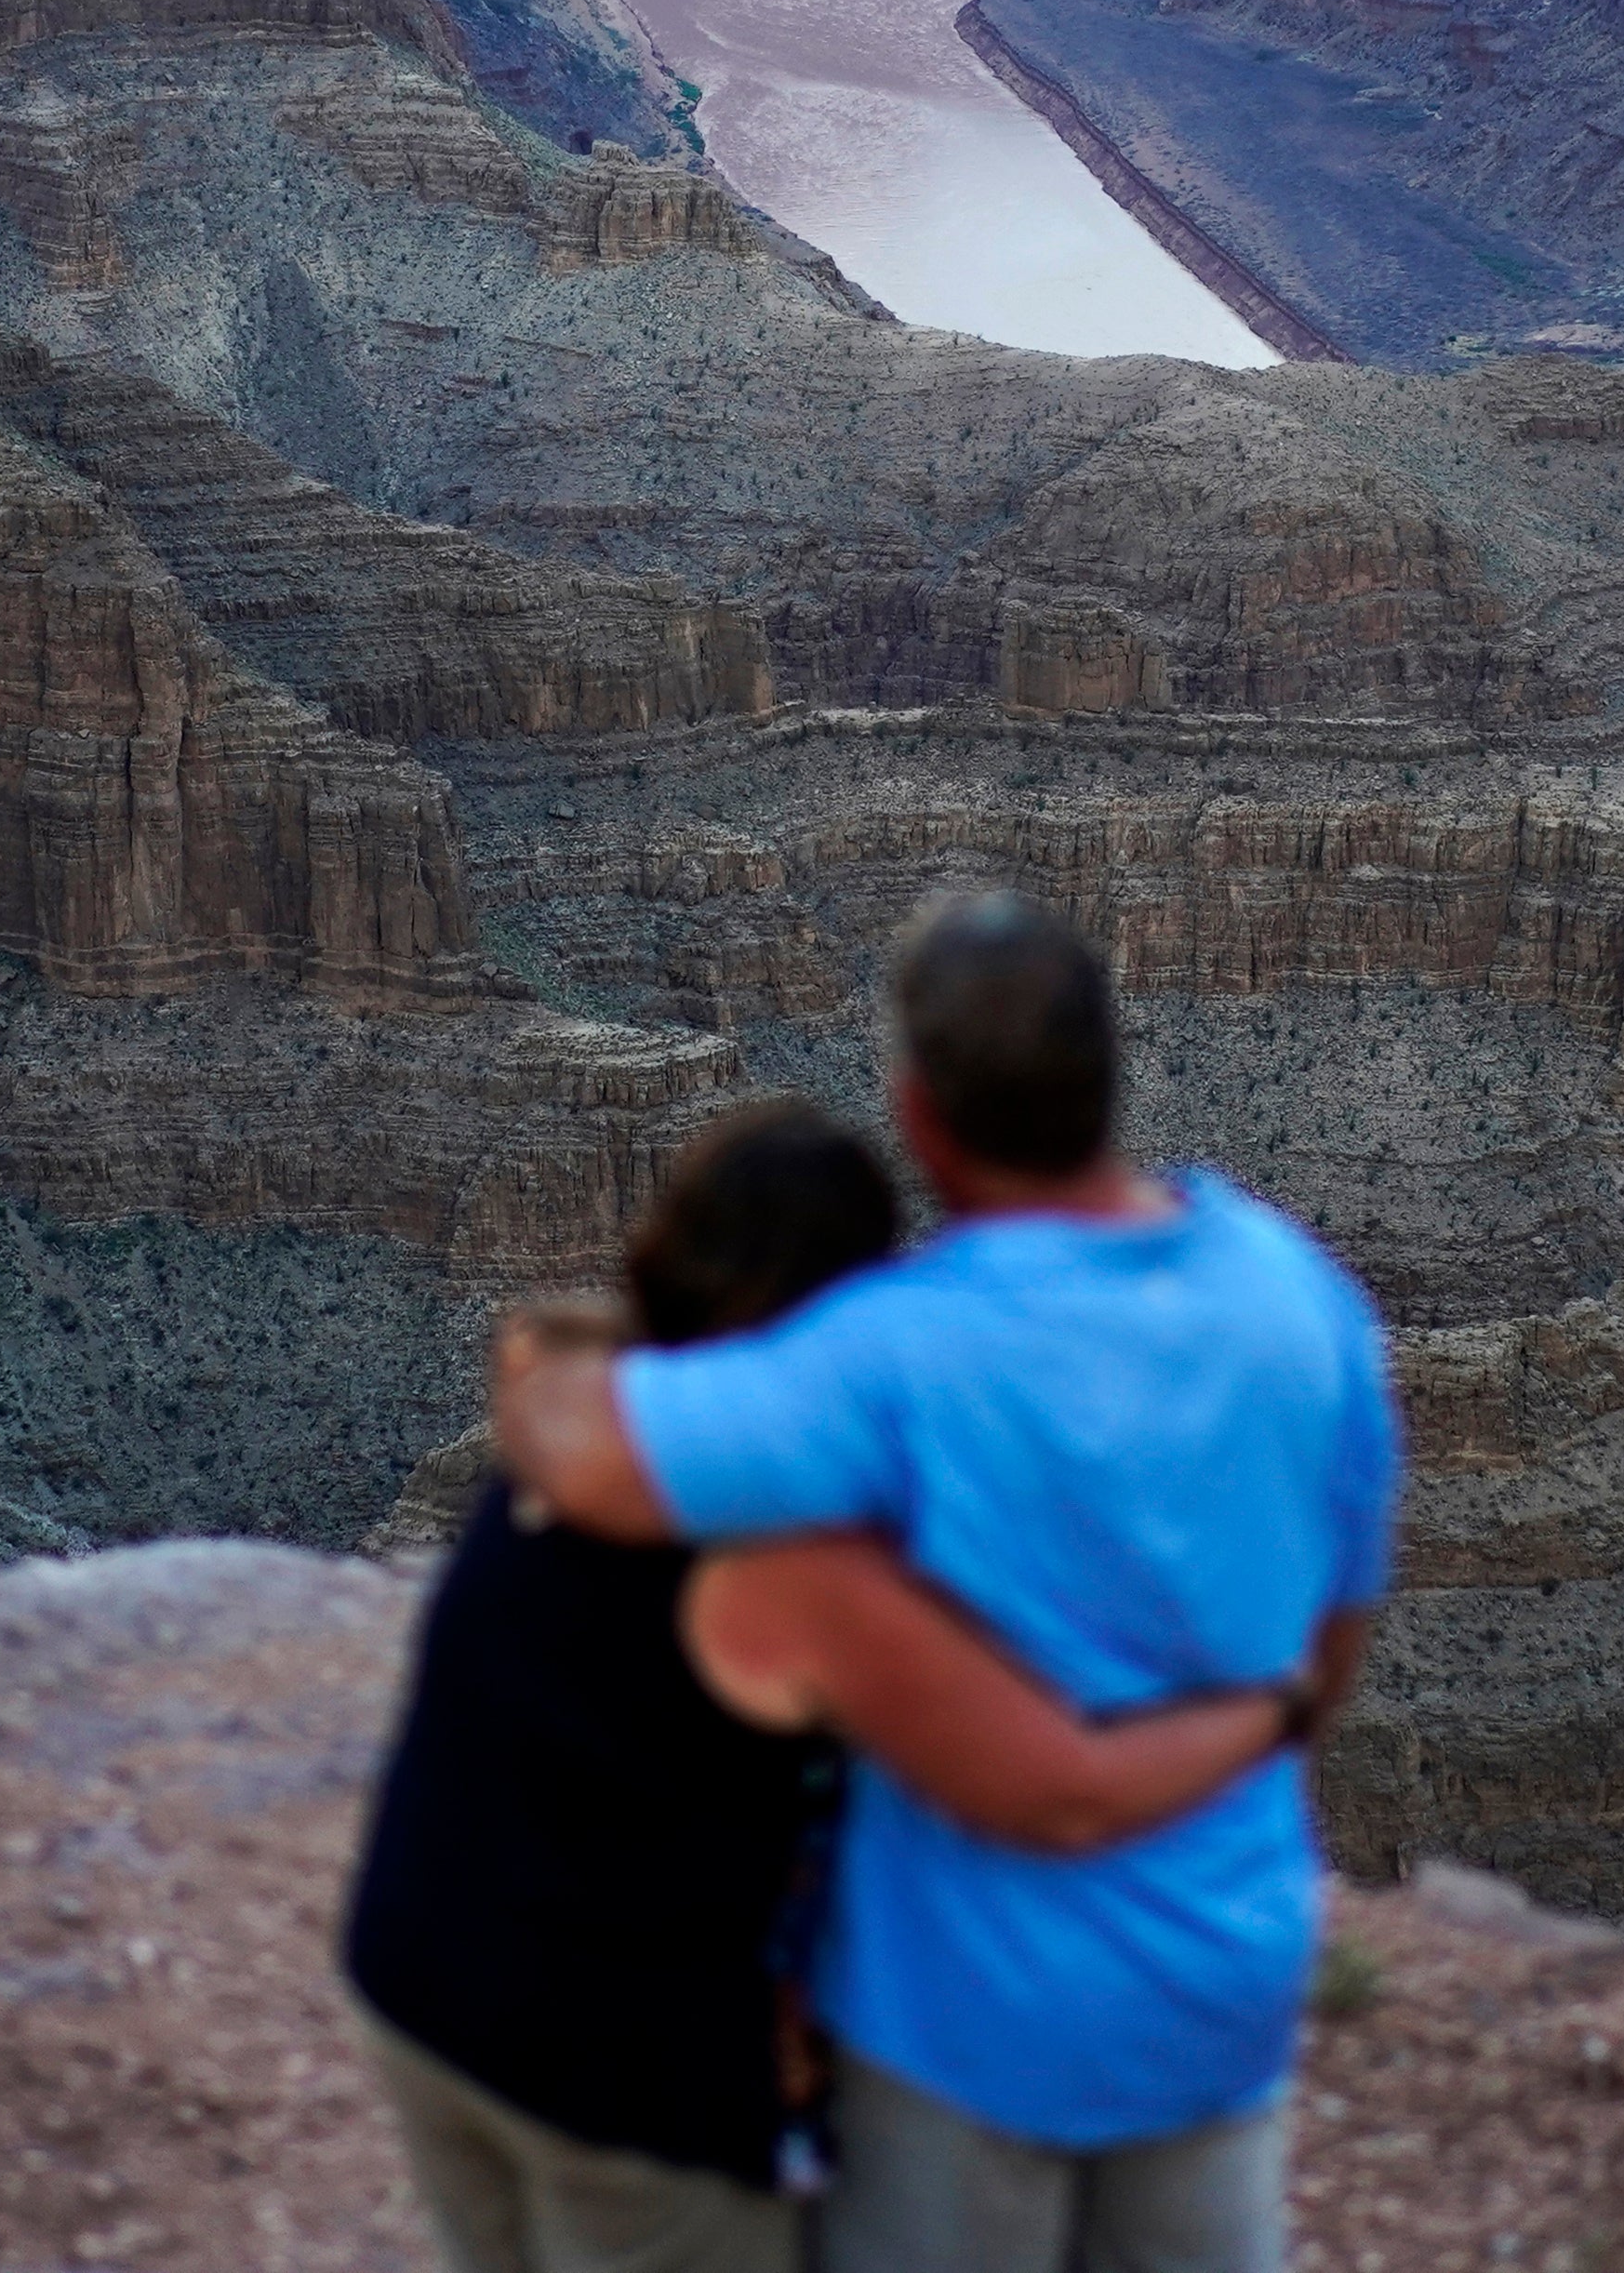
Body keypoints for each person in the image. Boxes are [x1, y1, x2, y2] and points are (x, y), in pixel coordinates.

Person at [497, 897, 1403, 2273]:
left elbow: (582, 1458)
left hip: (964, 2017)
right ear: (1111, 1070)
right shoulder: (1305, 1297)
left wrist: (550, 1347)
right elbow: (1330, 1650)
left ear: (918, 1113)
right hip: (1219, 1976)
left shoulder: (887, 1356)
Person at [346, 1101, 1305, 2273]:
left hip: (418, 1989)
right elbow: (1064, 1790)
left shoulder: (585, 1411)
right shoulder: (785, 1558)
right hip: (611, 2074)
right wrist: (1274, 1707)